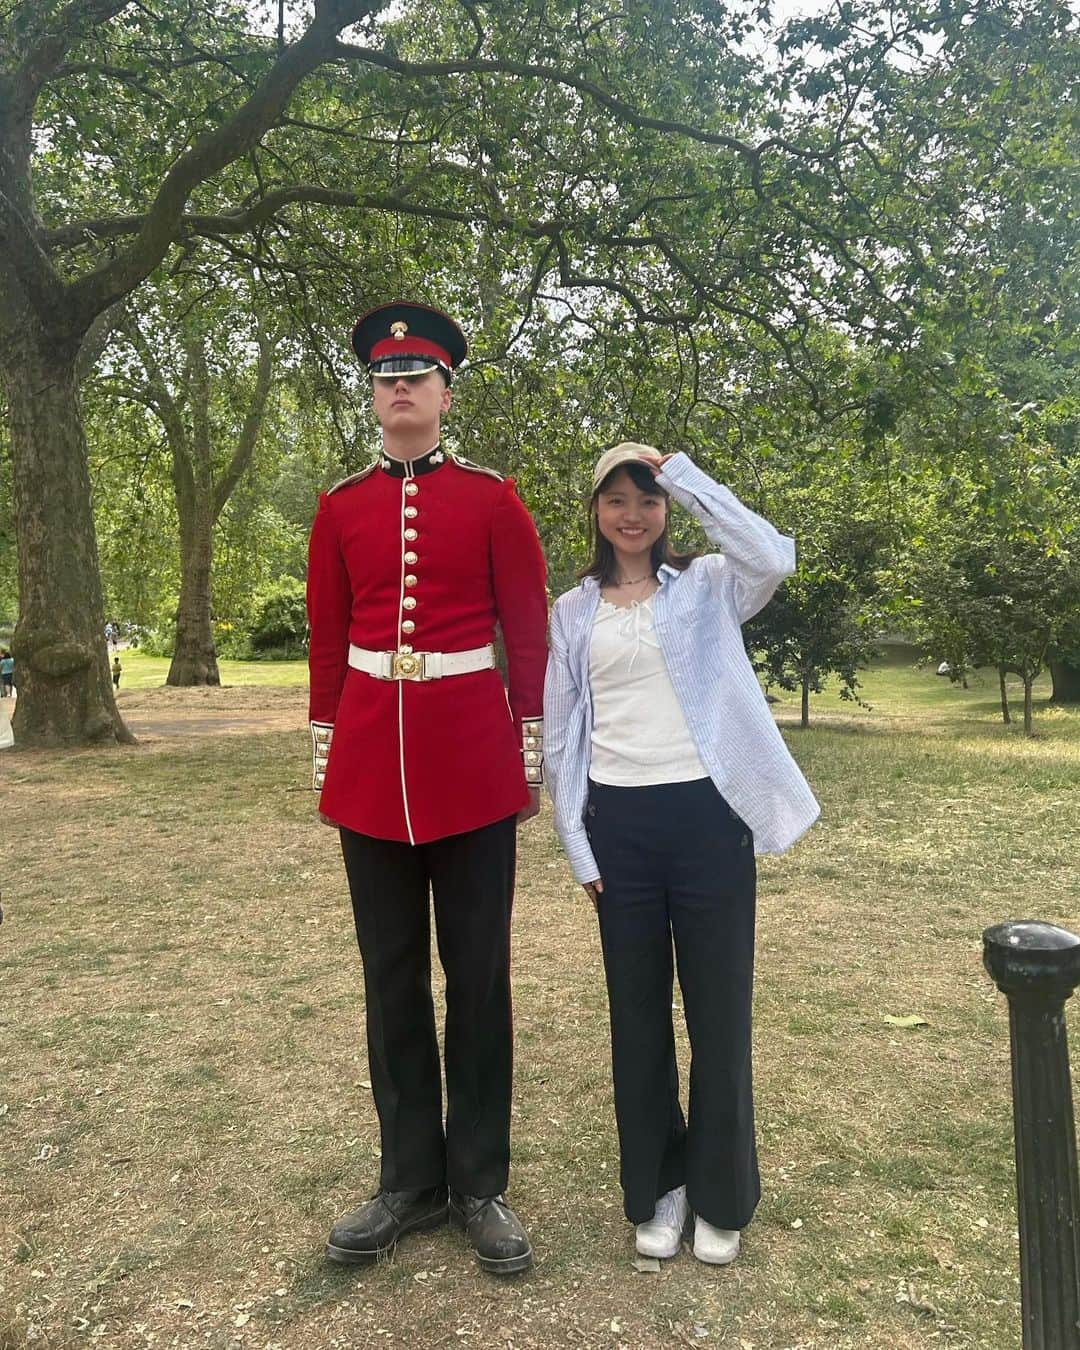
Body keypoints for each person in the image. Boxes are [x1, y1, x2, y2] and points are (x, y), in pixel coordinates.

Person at [307, 302, 548, 1276]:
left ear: (446, 393)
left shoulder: (494, 500)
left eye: (417, 375)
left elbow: (526, 637)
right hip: (371, 775)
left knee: (479, 981)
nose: (400, 388)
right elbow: (329, 643)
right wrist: (328, 757)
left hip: (474, 774)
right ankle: (408, 1179)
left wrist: (527, 753)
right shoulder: (339, 508)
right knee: (391, 980)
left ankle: (478, 1183)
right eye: (385, 377)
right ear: (373, 396)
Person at [544, 443, 819, 1266]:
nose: (634, 515)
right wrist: (577, 844)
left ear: (667, 510)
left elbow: (773, 555)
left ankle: (722, 1192)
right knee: (637, 1018)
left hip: (708, 820)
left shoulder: (706, 587)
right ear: (595, 512)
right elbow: (562, 736)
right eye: (618, 500)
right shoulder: (572, 611)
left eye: (649, 500)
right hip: (619, 830)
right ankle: (659, 1187)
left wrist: (689, 476)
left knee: (719, 1014)